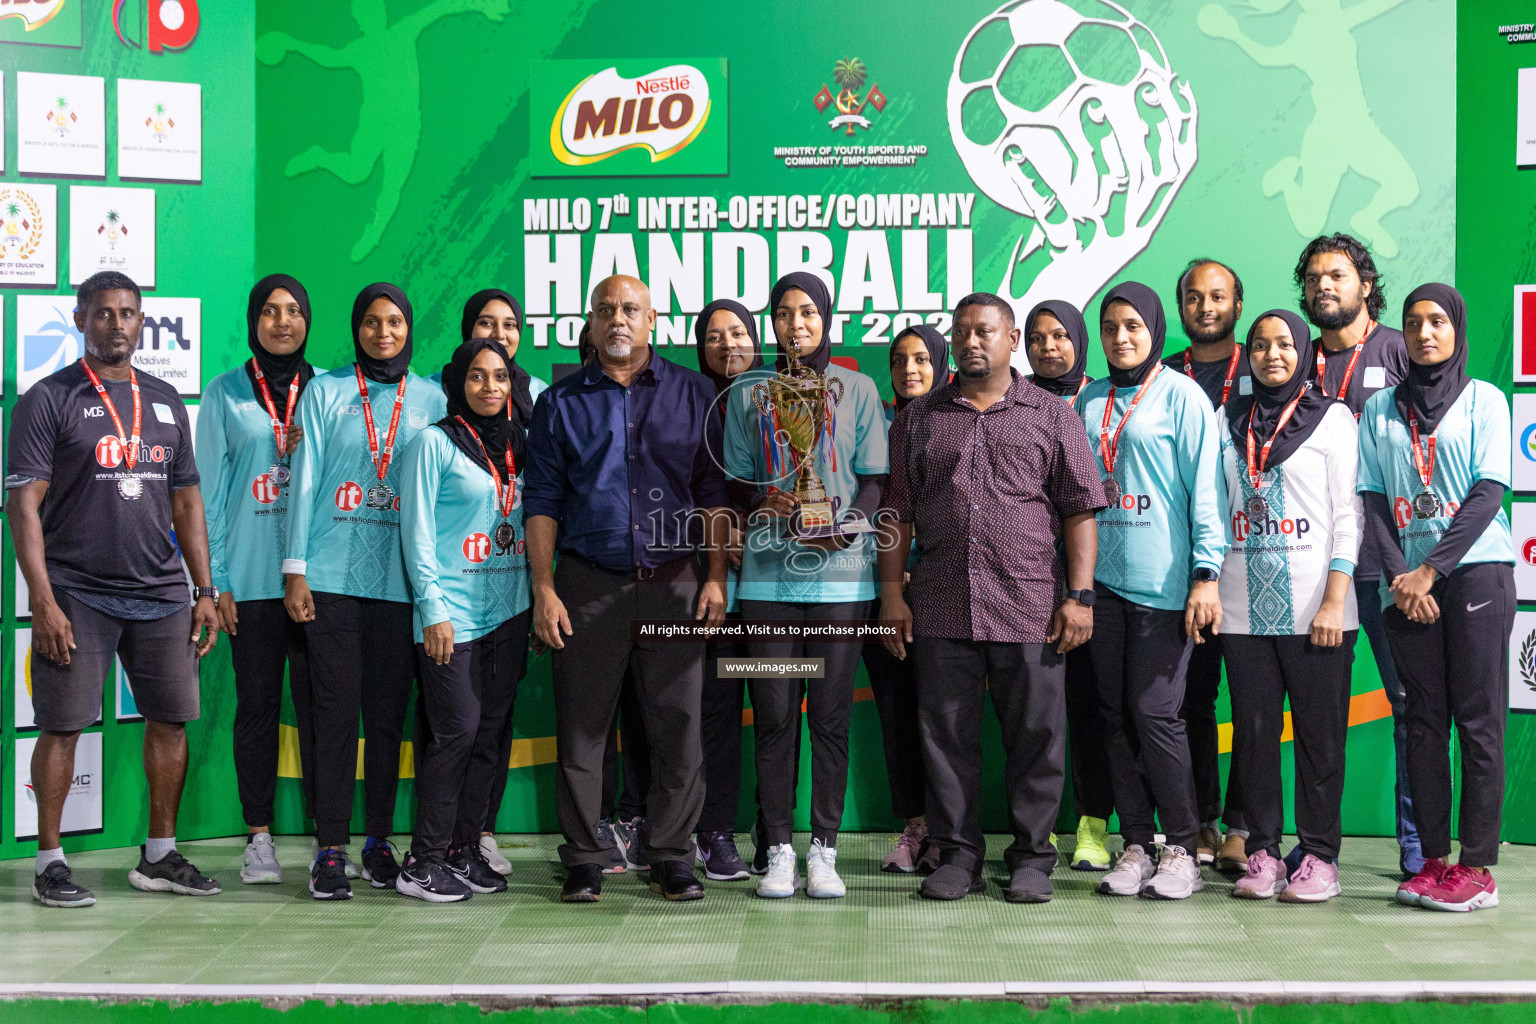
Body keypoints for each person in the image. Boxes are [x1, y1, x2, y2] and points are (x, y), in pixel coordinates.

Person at [6, 271, 221, 907]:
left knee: (171, 722)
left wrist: (204, 588)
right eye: (103, 314)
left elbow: (186, 501)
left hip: (162, 593)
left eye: (128, 313)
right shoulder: (48, 399)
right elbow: (23, 509)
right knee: (63, 726)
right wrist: (42, 601)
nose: (117, 324)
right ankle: (50, 861)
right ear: (80, 320)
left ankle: (159, 854)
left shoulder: (165, 400)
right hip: (78, 593)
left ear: (141, 321)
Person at [881, 292, 1104, 903]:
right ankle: (957, 855)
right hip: (941, 604)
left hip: (1030, 604)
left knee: (1037, 740)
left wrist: (1079, 597)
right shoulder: (918, 420)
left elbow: (1080, 510)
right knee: (945, 739)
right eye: (961, 333)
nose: (971, 342)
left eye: (985, 331)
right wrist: (891, 597)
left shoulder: (1053, 416)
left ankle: (1032, 857)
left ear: (1011, 340)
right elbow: (896, 515)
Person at [524, 274, 730, 904]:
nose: (618, 319)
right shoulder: (559, 403)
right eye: (607, 309)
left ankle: (671, 854)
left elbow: (713, 493)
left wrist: (717, 576)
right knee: (583, 728)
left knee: (678, 725)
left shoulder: (695, 394)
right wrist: (543, 587)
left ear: (653, 320)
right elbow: (542, 499)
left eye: (630, 309)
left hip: (675, 583)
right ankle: (585, 858)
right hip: (586, 582)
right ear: (590, 321)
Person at [722, 272, 888, 900]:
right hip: (766, 579)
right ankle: (779, 850)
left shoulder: (859, 388)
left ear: (827, 320)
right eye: (785, 314)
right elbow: (736, 480)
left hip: (842, 584)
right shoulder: (749, 392)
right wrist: (765, 497)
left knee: (832, 717)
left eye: (809, 313)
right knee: (771, 717)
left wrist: (848, 524)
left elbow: (874, 477)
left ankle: (824, 849)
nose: (796, 325)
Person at [283, 282, 447, 900]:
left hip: (400, 582)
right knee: (333, 715)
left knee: (386, 720)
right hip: (329, 580)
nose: (384, 334)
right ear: (356, 330)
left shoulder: (432, 396)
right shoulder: (324, 393)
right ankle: (329, 850)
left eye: (396, 323)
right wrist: (294, 568)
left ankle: (379, 841)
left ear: (409, 330)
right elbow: (302, 483)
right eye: (373, 323)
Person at [1360, 285, 1515, 913]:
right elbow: (1371, 499)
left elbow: (1488, 493)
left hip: (1475, 575)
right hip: (1404, 585)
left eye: (1439, 322)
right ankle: (1432, 861)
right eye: (1415, 323)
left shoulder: (1484, 401)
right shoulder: (1379, 410)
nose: (1426, 334)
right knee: (1423, 724)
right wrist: (1403, 578)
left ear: (1458, 330)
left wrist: (1429, 570)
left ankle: (1477, 868)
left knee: (1478, 723)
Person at [1076, 282, 1225, 901]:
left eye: (1133, 325)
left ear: (1155, 329)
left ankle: (1183, 848)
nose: (1121, 337)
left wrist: (1205, 576)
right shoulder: (1089, 402)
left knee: (1156, 714)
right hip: (1103, 586)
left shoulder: (1183, 396)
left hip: (1164, 589)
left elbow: (1206, 492)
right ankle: (1136, 843)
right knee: (1113, 716)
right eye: (1110, 327)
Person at [1216, 310, 1362, 903]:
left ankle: (1320, 856)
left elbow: (1348, 516)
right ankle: (1264, 854)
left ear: (1304, 351)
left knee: (1319, 738)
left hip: (1315, 612)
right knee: (1253, 736)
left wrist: (1335, 601)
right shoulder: (1228, 420)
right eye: (1259, 345)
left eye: (1283, 344)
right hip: (1241, 607)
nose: (1271, 354)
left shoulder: (1333, 419)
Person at [1296, 232, 1418, 877]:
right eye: (1314, 277)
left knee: (1409, 704)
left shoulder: (1398, 349)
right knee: (1319, 717)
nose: (1325, 286)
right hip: (1320, 571)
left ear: (1365, 284)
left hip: (1391, 565)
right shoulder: (1295, 357)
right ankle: (1317, 845)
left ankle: (1417, 840)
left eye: (1338, 275)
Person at [396, 336, 531, 902]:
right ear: (459, 383)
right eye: (477, 376)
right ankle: (422, 861)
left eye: (499, 377)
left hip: (509, 611)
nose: (490, 387)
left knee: (489, 737)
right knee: (456, 731)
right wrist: (431, 608)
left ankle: (462, 848)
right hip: (451, 616)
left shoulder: (521, 445)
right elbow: (417, 533)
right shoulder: (435, 444)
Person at [196, 274, 317, 885]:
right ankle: (259, 836)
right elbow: (207, 500)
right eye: (270, 311)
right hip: (250, 582)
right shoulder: (223, 394)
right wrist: (216, 581)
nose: (282, 321)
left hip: (319, 581)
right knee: (259, 708)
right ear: (253, 321)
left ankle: (332, 841)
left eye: (294, 311)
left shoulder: (325, 392)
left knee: (326, 711)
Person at [1160, 258, 1250, 868]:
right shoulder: (1162, 375)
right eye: (1194, 297)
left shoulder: (1269, 363)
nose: (1205, 306)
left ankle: (1244, 826)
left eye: (1217, 296)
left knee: (1250, 699)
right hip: (1184, 563)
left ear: (1237, 305)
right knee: (1190, 696)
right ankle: (1197, 823)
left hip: (1252, 559)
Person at [455, 288, 548, 877]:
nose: (500, 333)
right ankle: (447, 839)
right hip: (458, 592)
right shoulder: (452, 397)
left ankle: (482, 831)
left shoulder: (537, 397)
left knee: (498, 716)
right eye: (486, 323)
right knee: (455, 723)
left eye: (510, 325)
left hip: (517, 585)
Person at [1023, 300, 1113, 873]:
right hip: (1027, 580)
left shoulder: (1105, 397)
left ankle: (1094, 825)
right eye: (1037, 337)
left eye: (1060, 335)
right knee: (1037, 714)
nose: (1049, 346)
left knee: (1092, 708)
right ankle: (1040, 830)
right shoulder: (1013, 398)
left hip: (1095, 579)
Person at [864, 323, 946, 874]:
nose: (910, 369)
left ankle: (948, 831)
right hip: (880, 596)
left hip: (945, 597)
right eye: (898, 360)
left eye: (921, 358)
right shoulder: (877, 428)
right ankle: (914, 827)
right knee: (896, 714)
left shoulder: (955, 423)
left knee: (944, 719)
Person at [691, 298, 764, 882]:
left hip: (776, 591)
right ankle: (713, 831)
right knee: (713, 712)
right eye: (713, 336)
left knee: (776, 707)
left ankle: (776, 834)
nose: (726, 344)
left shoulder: (783, 398)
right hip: (709, 593)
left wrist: (759, 531)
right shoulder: (688, 400)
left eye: (737, 332)